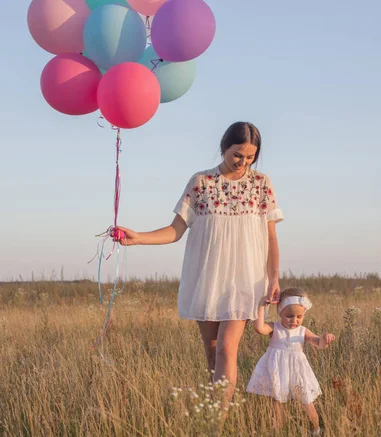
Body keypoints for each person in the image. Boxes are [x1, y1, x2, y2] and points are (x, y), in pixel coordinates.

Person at [117, 121, 283, 401]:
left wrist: (274, 278)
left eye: (250, 157)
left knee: (226, 349)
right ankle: (214, 408)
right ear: (224, 148)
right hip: (207, 278)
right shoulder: (201, 182)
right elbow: (175, 230)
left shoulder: (261, 184)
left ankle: (218, 421)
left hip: (246, 279)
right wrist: (138, 238)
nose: (243, 162)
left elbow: (271, 237)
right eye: (237, 155)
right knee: (212, 350)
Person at [246, 287, 336, 436]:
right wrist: (261, 306)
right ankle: (278, 431)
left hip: (298, 370)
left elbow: (318, 343)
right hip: (278, 370)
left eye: (299, 317)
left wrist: (325, 340)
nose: (294, 320)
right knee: (277, 402)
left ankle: (316, 430)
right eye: (289, 316)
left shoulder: (303, 331)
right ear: (280, 312)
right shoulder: (275, 327)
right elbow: (259, 328)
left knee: (306, 401)